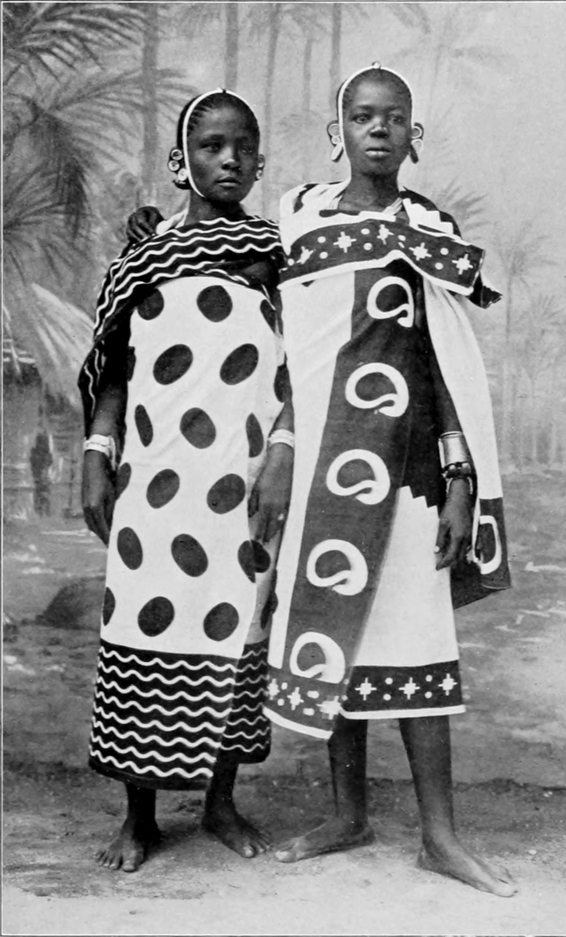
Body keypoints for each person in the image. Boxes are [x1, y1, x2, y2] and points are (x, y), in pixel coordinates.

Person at [126, 65, 516, 897]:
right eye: (363, 117)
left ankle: (441, 835)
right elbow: (235, 267)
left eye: (395, 118)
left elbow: (442, 360)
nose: (379, 129)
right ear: (339, 133)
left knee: (417, 636)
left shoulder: (429, 230)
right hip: (319, 462)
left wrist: (457, 473)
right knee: (337, 634)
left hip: (406, 469)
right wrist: (153, 230)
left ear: (414, 135)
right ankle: (348, 814)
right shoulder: (300, 217)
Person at [79, 89, 294, 872]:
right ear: (180, 161)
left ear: (259, 162)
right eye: (210, 145)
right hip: (154, 481)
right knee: (146, 627)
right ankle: (138, 816)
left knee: (236, 632)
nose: (229, 159)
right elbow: (114, 370)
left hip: (243, 483)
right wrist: (96, 454)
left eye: (243, 147)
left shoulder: (277, 257)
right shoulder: (142, 259)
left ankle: (220, 802)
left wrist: (284, 452)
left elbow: (302, 365)